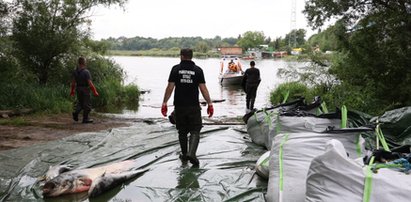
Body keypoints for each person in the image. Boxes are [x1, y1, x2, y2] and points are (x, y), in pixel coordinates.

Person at [161, 48, 214, 167]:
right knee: (195, 130)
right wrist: (209, 103)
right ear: (191, 56)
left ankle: (185, 154)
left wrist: (164, 102)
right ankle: (192, 153)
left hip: (179, 106)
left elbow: (170, 87)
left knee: (182, 131)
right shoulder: (198, 70)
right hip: (193, 106)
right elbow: (203, 89)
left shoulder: (175, 69)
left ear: (181, 56)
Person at [70, 57, 99, 123]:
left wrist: (72, 91)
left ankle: (75, 113)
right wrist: (95, 91)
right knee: (87, 105)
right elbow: (90, 83)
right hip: (85, 89)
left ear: (78, 62)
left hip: (78, 89)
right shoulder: (86, 72)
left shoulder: (75, 71)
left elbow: (73, 83)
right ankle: (85, 119)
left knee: (80, 103)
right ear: (84, 63)